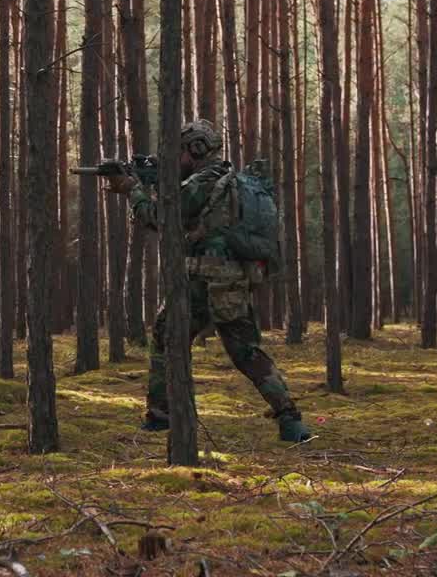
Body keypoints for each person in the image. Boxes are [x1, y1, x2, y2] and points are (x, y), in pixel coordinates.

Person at [105, 119, 312, 443]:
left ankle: (162, 415)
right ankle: (289, 419)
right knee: (232, 348)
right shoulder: (223, 179)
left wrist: (133, 190)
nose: (178, 158)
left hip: (207, 280)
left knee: (184, 340)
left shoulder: (204, 181)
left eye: (182, 151)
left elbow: (161, 218)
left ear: (197, 149)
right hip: (221, 280)